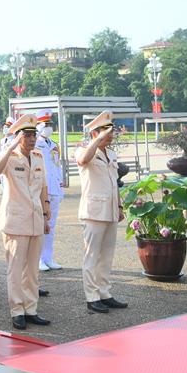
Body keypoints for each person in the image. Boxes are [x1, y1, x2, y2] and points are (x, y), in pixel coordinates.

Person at [0, 114, 50, 331]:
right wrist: (12, 144)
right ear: (17, 137)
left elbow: (43, 186)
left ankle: (31, 309)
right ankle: (17, 311)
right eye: (27, 135)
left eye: (34, 135)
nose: (32, 139)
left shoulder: (38, 156)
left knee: (32, 269)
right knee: (16, 269)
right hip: (15, 221)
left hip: (35, 219)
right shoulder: (9, 157)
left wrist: (46, 212)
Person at [76, 111, 128, 315]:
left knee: (106, 255)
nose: (111, 135)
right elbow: (83, 161)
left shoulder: (111, 154)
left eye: (111, 131)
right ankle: (92, 297)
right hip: (93, 211)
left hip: (110, 210)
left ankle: (105, 293)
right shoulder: (83, 149)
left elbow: (114, 183)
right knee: (92, 256)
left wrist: (120, 206)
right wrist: (97, 139)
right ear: (94, 133)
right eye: (106, 131)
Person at [36, 109, 65, 271]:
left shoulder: (54, 145)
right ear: (38, 126)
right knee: (41, 224)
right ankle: (39, 259)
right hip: (41, 190)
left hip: (54, 188)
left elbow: (57, 167)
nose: (48, 127)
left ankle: (48, 257)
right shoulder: (34, 144)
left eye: (50, 124)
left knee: (51, 226)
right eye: (45, 124)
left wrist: (61, 188)